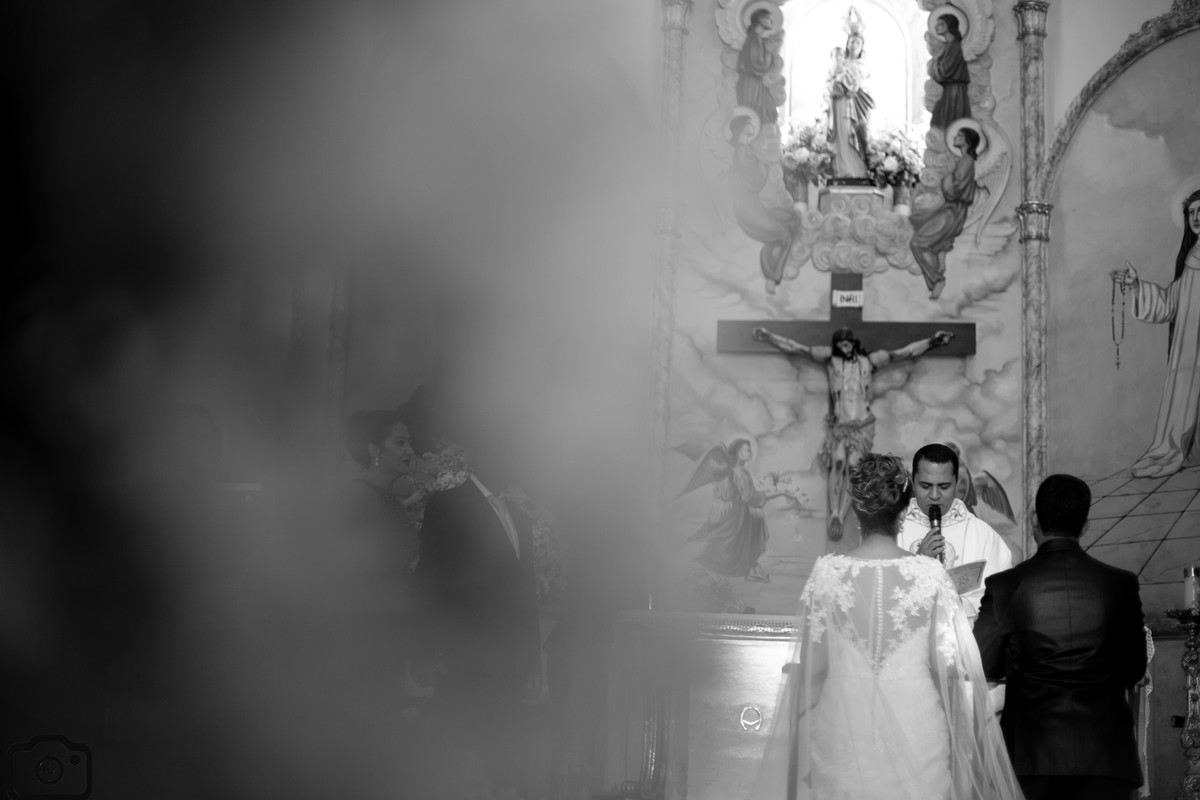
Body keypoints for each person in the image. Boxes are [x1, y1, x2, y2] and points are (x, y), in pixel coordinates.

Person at [750, 453, 1022, 800]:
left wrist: (802, 737)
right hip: (918, 727)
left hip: (843, 731)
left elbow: (813, 671)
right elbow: (945, 670)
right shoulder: (930, 575)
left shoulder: (828, 573)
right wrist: (961, 742)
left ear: (856, 509)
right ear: (905, 509)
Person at [973, 473, 1146, 800]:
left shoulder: (1005, 586)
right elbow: (1133, 668)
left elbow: (983, 663)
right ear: (1085, 525)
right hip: (1105, 754)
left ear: (1034, 520)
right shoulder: (1120, 584)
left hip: (1032, 754)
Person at [411, 409, 543, 800]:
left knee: (501, 761)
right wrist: (424, 650)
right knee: (462, 761)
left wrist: (532, 662)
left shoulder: (520, 517)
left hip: (509, 664)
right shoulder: (449, 504)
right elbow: (430, 579)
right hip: (463, 657)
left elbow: (525, 594)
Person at [752, 326, 953, 543]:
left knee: (853, 466)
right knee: (838, 462)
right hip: (840, 425)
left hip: (862, 424)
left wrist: (933, 341)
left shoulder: (871, 361)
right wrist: (769, 337)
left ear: (854, 343)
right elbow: (797, 348)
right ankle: (834, 513)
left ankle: (841, 513)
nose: (844, 345)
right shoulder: (831, 360)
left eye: (847, 342)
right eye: (840, 343)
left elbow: (906, 352)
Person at [1113, 186, 1200, 477]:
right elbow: (1169, 304)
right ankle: (1177, 449)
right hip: (1189, 350)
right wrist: (1138, 285)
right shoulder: (1191, 259)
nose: (1196, 218)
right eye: (1191, 213)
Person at [897, 442, 1012, 619]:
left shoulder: (982, 535)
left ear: (957, 484)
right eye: (925, 486)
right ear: (913, 482)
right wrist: (918, 565)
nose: (934, 495)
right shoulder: (894, 529)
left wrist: (955, 601)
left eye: (944, 487)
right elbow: (880, 594)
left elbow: (1000, 599)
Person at [728, 112, 797, 289]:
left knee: (793, 218)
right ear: (741, 128)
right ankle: (771, 276)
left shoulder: (748, 149)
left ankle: (772, 262)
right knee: (784, 235)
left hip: (757, 207)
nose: (753, 126)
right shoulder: (742, 151)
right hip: (747, 210)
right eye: (749, 123)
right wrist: (764, 166)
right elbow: (754, 181)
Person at [910, 126, 979, 299]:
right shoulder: (964, 160)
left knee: (917, 242)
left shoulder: (966, 161)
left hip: (953, 211)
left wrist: (946, 179)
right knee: (921, 222)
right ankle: (940, 263)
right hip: (951, 209)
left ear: (967, 141)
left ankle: (937, 279)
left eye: (959, 135)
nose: (955, 137)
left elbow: (955, 188)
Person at [736, 8, 782, 126]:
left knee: (767, 113)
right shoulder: (754, 38)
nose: (772, 21)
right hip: (751, 84)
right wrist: (768, 52)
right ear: (760, 19)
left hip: (756, 83)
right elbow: (758, 65)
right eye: (768, 18)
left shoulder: (757, 38)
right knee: (754, 115)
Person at [930, 13, 971, 129]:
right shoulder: (948, 46)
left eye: (941, 24)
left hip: (955, 92)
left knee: (950, 124)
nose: (936, 27)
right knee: (940, 121)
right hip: (949, 90)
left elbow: (943, 72)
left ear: (950, 26)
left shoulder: (955, 46)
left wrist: (935, 65)